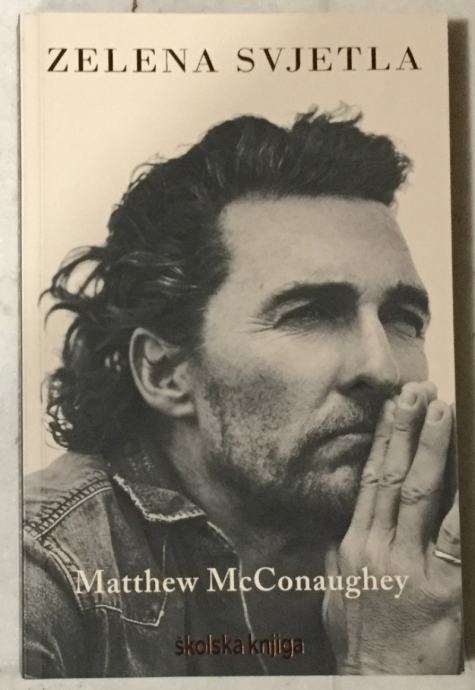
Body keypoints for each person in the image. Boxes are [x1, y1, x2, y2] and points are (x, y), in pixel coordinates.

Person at [23, 109, 462, 678]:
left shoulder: (449, 540)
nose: (384, 368)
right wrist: (385, 667)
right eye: (309, 314)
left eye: (403, 318)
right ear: (165, 373)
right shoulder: (38, 572)